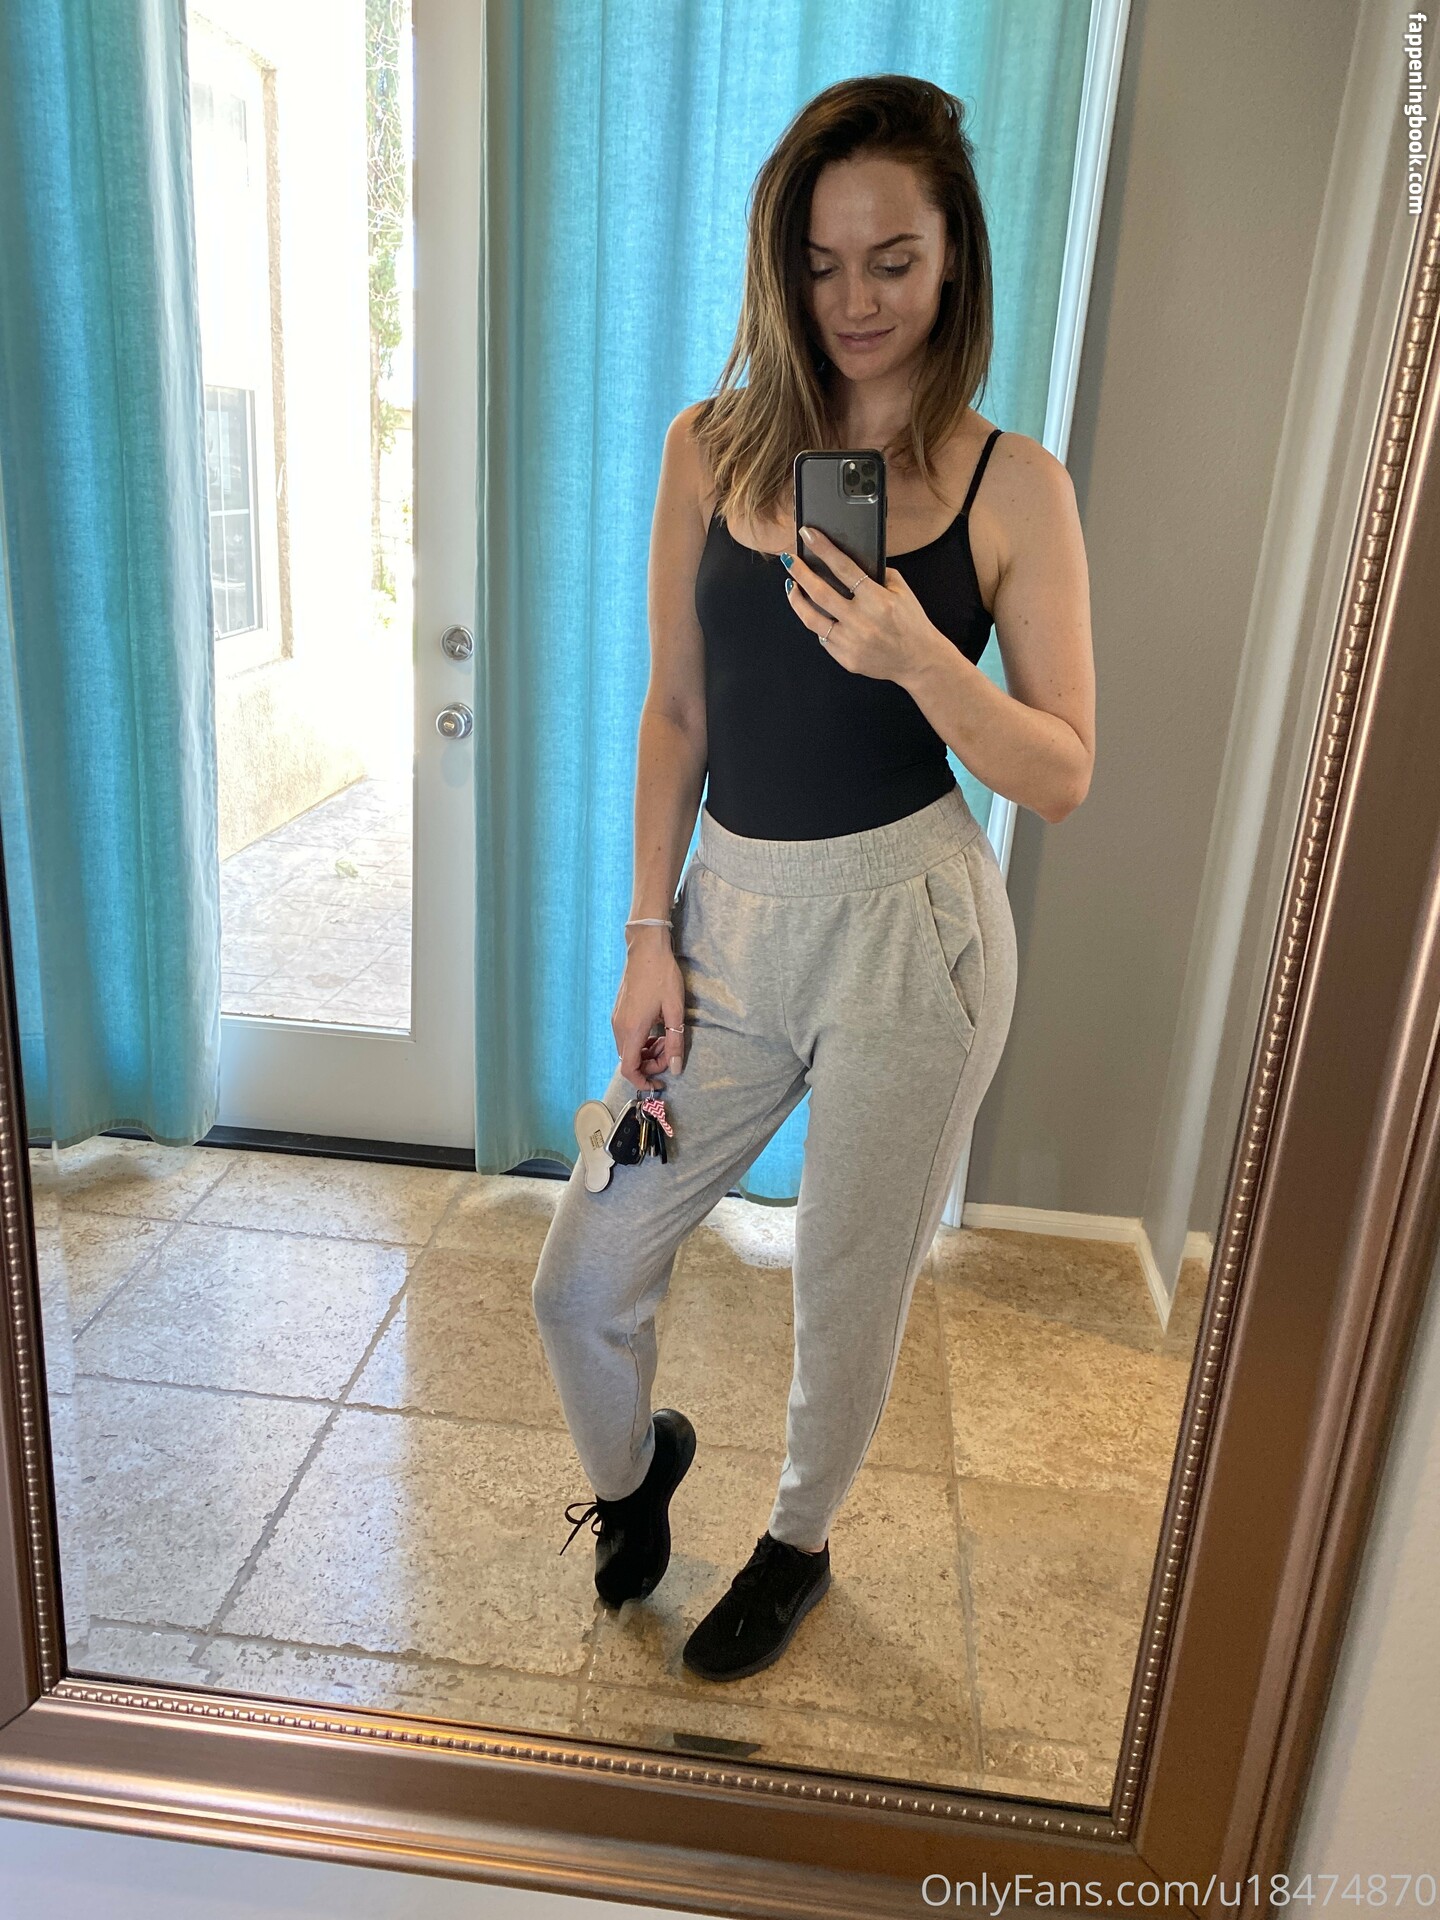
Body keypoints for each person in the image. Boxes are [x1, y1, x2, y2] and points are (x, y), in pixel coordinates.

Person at [532, 73, 1094, 1683]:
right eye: (823, 261)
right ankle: (633, 1478)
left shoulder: (1010, 487)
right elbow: (679, 709)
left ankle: (798, 1542)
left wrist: (922, 657)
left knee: (846, 1291)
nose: (856, 301)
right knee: (584, 1277)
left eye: (894, 260)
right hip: (728, 915)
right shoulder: (708, 448)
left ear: (953, 255)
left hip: (916, 931)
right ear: (781, 263)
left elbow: (1061, 769)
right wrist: (648, 933)